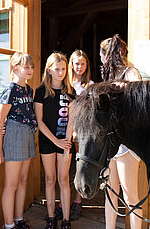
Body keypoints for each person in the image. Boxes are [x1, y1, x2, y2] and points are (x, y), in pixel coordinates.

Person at [100, 34, 143, 229]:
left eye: (102, 54)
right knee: (110, 191)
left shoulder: (131, 73)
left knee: (130, 195)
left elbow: (140, 101)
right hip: (111, 141)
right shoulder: (107, 76)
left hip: (126, 141)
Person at [0, 52, 38, 229]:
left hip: (27, 134)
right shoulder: (11, 89)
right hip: (14, 134)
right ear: (15, 68)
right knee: (11, 183)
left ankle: (19, 219)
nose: (30, 70)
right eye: (26, 67)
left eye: (32, 67)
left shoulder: (29, 90)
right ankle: (9, 225)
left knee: (22, 180)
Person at [34, 52, 76, 229]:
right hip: (47, 141)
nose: (61, 72)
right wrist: (55, 141)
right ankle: (51, 218)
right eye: (57, 69)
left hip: (65, 141)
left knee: (64, 179)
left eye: (64, 69)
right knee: (50, 179)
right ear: (49, 70)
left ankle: (65, 220)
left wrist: (65, 143)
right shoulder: (41, 91)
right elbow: (39, 121)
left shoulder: (70, 91)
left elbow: (72, 119)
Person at [65, 50, 94, 221]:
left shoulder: (88, 85)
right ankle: (63, 201)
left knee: (78, 166)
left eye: (83, 64)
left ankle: (77, 201)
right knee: (62, 169)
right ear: (72, 65)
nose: (80, 67)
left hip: (78, 131)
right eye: (77, 63)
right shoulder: (65, 82)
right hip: (62, 129)